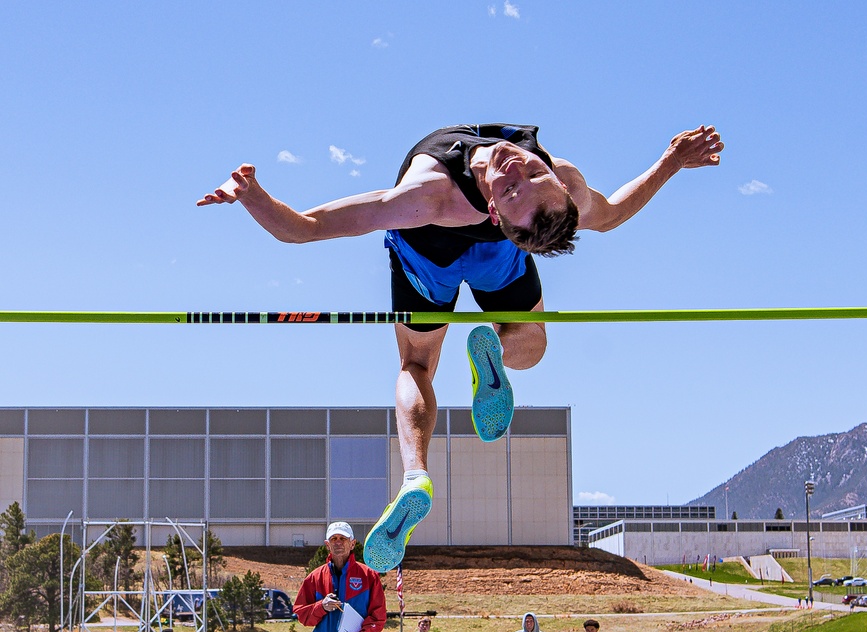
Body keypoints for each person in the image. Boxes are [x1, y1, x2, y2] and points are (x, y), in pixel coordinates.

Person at [199, 123, 723, 573]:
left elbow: (305, 229)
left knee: (416, 362)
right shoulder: (517, 184)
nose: (519, 168)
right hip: (475, 249)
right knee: (529, 342)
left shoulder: (443, 193)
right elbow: (610, 214)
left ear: (498, 213)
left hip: (434, 252)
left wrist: (251, 196)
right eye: (529, 176)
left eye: (520, 186)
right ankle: (493, 351)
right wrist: (671, 161)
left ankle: (416, 474)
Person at [293, 522, 387, 632]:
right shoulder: (315, 578)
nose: (338, 543)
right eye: (333, 539)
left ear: (353, 543)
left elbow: (378, 616)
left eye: (343, 538)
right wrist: (321, 607)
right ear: (327, 545)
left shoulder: (369, 576)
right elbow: (301, 614)